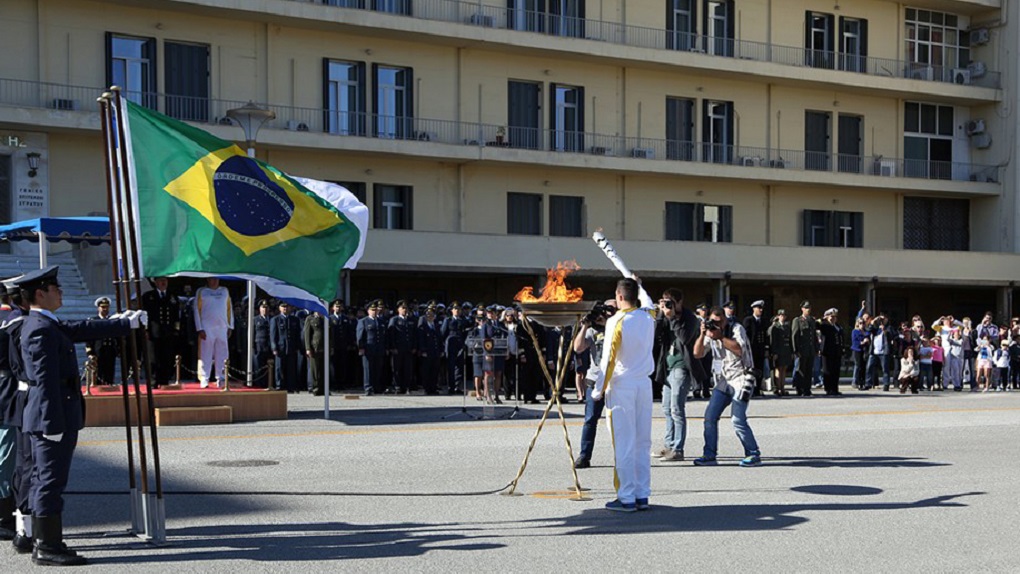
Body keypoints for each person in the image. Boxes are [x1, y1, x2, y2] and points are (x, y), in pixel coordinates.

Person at [16, 266, 143, 565]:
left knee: (45, 478)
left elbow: (80, 329)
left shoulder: (46, 323)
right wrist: (51, 424)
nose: (60, 292)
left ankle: (45, 540)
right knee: (49, 480)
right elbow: (44, 380)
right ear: (40, 294)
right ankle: (47, 546)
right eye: (55, 288)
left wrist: (123, 324)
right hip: (51, 416)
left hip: (54, 412)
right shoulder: (39, 328)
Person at [592, 277, 655, 512]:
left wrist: (598, 389)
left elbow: (608, 358)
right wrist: (640, 287)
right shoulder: (649, 316)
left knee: (624, 442)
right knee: (642, 442)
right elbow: (649, 302)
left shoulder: (617, 321)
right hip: (643, 385)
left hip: (622, 385)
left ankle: (626, 496)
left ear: (619, 297)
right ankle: (642, 494)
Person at [693, 305, 762, 468]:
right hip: (723, 380)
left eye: (720, 321)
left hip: (742, 377)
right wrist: (703, 335)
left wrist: (720, 336)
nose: (717, 325)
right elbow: (697, 353)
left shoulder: (736, 328)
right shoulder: (710, 332)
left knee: (737, 419)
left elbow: (739, 349)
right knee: (710, 417)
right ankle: (709, 455)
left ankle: (753, 453)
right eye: (714, 322)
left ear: (725, 319)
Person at [653, 288, 704, 463]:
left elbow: (684, 338)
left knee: (677, 409)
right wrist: (661, 315)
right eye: (665, 302)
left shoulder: (690, 318)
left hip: (682, 367)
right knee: (666, 409)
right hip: (667, 367)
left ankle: (678, 449)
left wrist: (673, 317)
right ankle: (668, 446)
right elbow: (655, 334)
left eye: (671, 302)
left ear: (680, 302)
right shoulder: (666, 316)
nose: (668, 305)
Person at [572, 299, 616, 469]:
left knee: (617, 422)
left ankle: (622, 456)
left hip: (615, 382)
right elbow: (578, 347)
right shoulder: (593, 330)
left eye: (610, 309)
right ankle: (584, 455)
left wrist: (608, 324)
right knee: (590, 420)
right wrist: (585, 326)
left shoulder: (621, 327)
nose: (606, 313)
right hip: (595, 381)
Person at [193, 277, 233, 388]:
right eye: (212, 279)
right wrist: (199, 328)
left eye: (216, 279)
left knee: (222, 353)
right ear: (207, 280)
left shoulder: (224, 291)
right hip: (207, 327)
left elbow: (229, 309)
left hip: (222, 327)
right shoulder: (202, 291)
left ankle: (221, 377)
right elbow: (196, 309)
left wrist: (230, 326)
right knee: (206, 353)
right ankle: (204, 378)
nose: (214, 281)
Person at [141, 276, 180, 388]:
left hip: (168, 332)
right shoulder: (148, 296)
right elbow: (144, 315)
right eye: (161, 280)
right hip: (154, 332)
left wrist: (176, 331)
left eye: (165, 280)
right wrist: (146, 329)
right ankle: (153, 380)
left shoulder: (173, 296)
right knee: (153, 358)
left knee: (167, 357)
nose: (163, 283)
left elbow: (176, 315)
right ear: (156, 282)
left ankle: (164, 380)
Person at [84, 297, 120, 386]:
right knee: (99, 372)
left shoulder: (112, 320)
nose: (105, 309)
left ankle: (109, 385)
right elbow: (89, 339)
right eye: (103, 307)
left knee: (109, 371)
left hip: (110, 350)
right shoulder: (93, 321)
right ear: (98, 308)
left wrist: (118, 350)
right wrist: (90, 353)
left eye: (107, 307)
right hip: (98, 351)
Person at [357, 300, 387, 395]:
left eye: (376, 310)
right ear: (368, 311)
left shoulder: (381, 321)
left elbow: (384, 336)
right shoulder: (364, 321)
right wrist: (361, 347)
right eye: (372, 310)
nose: (374, 311)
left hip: (379, 349)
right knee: (368, 369)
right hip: (368, 349)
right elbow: (360, 336)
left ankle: (376, 386)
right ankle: (368, 387)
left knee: (378, 368)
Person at [270, 302, 301, 393]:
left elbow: (297, 335)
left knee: (291, 368)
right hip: (280, 347)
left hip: (291, 347)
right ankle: (279, 385)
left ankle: (291, 386)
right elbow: (273, 335)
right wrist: (274, 348)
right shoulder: (275, 319)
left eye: (287, 306)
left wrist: (298, 346)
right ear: (279, 308)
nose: (285, 308)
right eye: (283, 307)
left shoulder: (294, 319)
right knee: (279, 368)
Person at [440, 302, 470, 395]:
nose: (457, 311)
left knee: (459, 367)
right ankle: (451, 387)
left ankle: (457, 386)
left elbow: (466, 334)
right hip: (450, 346)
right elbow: (443, 333)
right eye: (455, 309)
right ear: (452, 310)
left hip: (460, 345)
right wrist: (444, 347)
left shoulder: (464, 320)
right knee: (451, 367)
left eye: (459, 309)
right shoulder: (448, 320)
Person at [387, 301, 416, 394]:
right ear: (398, 309)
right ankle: (397, 386)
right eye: (402, 308)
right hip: (398, 349)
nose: (405, 310)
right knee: (397, 368)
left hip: (408, 349)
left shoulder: (411, 320)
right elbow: (391, 334)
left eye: (406, 308)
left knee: (408, 369)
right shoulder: (394, 320)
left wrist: (414, 347)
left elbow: (414, 335)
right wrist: (392, 347)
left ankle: (407, 386)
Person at [790, 301, 818, 397]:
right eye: (806, 308)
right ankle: (800, 389)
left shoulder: (812, 320)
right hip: (801, 350)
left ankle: (807, 389)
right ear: (802, 309)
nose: (808, 309)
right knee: (801, 370)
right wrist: (795, 350)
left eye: (809, 308)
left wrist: (816, 348)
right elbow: (794, 336)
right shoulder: (797, 320)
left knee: (809, 370)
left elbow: (813, 336)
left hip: (810, 350)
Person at [742, 300, 768, 396]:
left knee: (759, 369)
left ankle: (757, 389)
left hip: (760, 350)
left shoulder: (763, 321)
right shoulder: (748, 320)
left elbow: (765, 336)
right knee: (751, 370)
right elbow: (745, 336)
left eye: (761, 308)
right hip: (751, 350)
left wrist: (766, 348)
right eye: (758, 308)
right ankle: (750, 389)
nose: (760, 310)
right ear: (754, 309)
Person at [818, 308, 845, 396]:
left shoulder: (838, 326)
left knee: (835, 371)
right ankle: (828, 389)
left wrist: (842, 348)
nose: (833, 318)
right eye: (831, 317)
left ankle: (835, 388)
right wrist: (823, 319)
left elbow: (841, 338)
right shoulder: (824, 325)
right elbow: (815, 325)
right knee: (827, 371)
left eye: (834, 317)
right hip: (827, 352)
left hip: (837, 352)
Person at [417, 306, 442, 395]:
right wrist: (423, 350)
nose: (430, 317)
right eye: (428, 315)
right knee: (426, 371)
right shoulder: (423, 326)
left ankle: (433, 388)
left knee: (435, 371)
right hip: (427, 352)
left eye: (432, 315)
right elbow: (421, 339)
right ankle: (426, 388)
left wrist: (441, 350)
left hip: (435, 352)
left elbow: (439, 339)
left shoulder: (436, 326)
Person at [767, 309, 792, 396]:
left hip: (786, 350)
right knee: (778, 369)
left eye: (784, 315)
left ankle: (783, 388)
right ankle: (778, 388)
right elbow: (773, 341)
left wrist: (791, 351)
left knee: (784, 369)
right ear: (778, 316)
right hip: (778, 351)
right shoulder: (775, 327)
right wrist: (774, 353)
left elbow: (789, 340)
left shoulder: (787, 326)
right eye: (781, 315)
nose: (782, 317)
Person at [303, 311, 327, 395]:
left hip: (325, 347)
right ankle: (316, 388)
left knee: (324, 369)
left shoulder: (326, 318)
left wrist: (331, 346)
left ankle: (324, 388)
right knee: (315, 369)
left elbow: (331, 333)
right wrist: (308, 348)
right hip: (315, 347)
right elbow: (307, 334)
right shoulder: (310, 319)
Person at [251, 300, 272, 388]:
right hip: (258, 346)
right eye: (263, 308)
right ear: (259, 309)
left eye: (266, 307)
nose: (265, 310)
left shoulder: (272, 319)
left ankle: (269, 384)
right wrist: (252, 346)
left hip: (269, 346)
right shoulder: (255, 319)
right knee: (258, 367)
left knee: (269, 367)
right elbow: (252, 334)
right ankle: (259, 384)